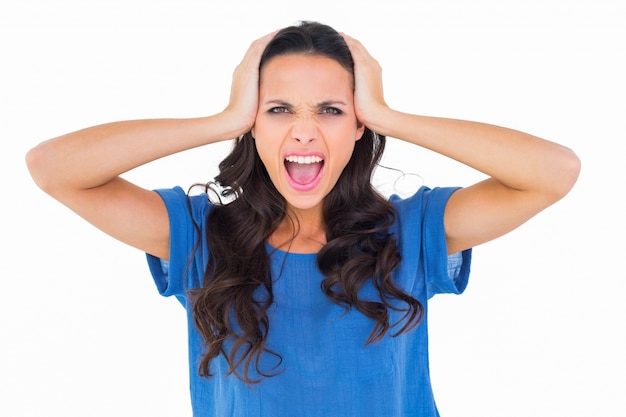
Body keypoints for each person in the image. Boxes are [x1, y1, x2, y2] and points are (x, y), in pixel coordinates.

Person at [26, 21, 580, 417]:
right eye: (279, 109)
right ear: (253, 124)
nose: (304, 131)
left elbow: (555, 171)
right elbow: (51, 167)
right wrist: (223, 119)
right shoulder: (200, 238)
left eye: (332, 111)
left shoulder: (412, 232)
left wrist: (388, 114)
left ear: (357, 125)